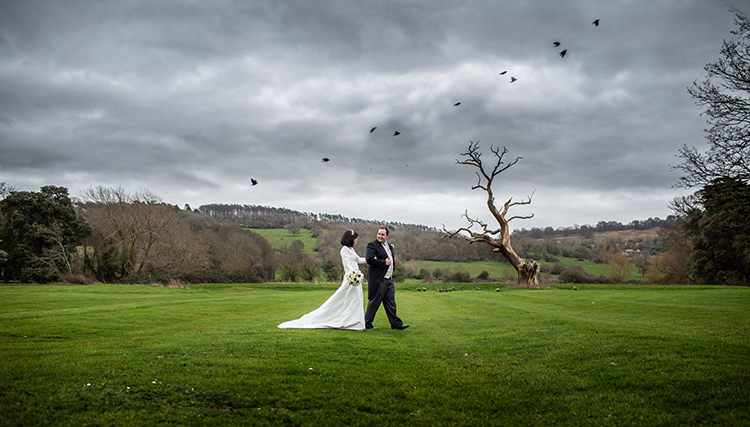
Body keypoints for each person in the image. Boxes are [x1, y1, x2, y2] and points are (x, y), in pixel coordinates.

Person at [278, 229, 367, 330]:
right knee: (344, 299)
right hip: (351, 279)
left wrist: (371, 259)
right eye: (356, 238)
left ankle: (355, 322)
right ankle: (347, 321)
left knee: (356, 300)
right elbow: (347, 264)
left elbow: (358, 259)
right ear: (351, 238)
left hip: (355, 279)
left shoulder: (351, 249)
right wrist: (354, 274)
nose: (357, 240)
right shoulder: (344, 249)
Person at [364, 227, 409, 330]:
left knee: (391, 302)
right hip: (379, 279)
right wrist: (384, 262)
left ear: (387, 236)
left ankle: (396, 325)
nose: (380, 236)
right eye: (379, 234)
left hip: (389, 279)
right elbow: (369, 259)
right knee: (375, 302)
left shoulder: (389, 246)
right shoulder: (372, 245)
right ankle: (367, 324)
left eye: (382, 234)